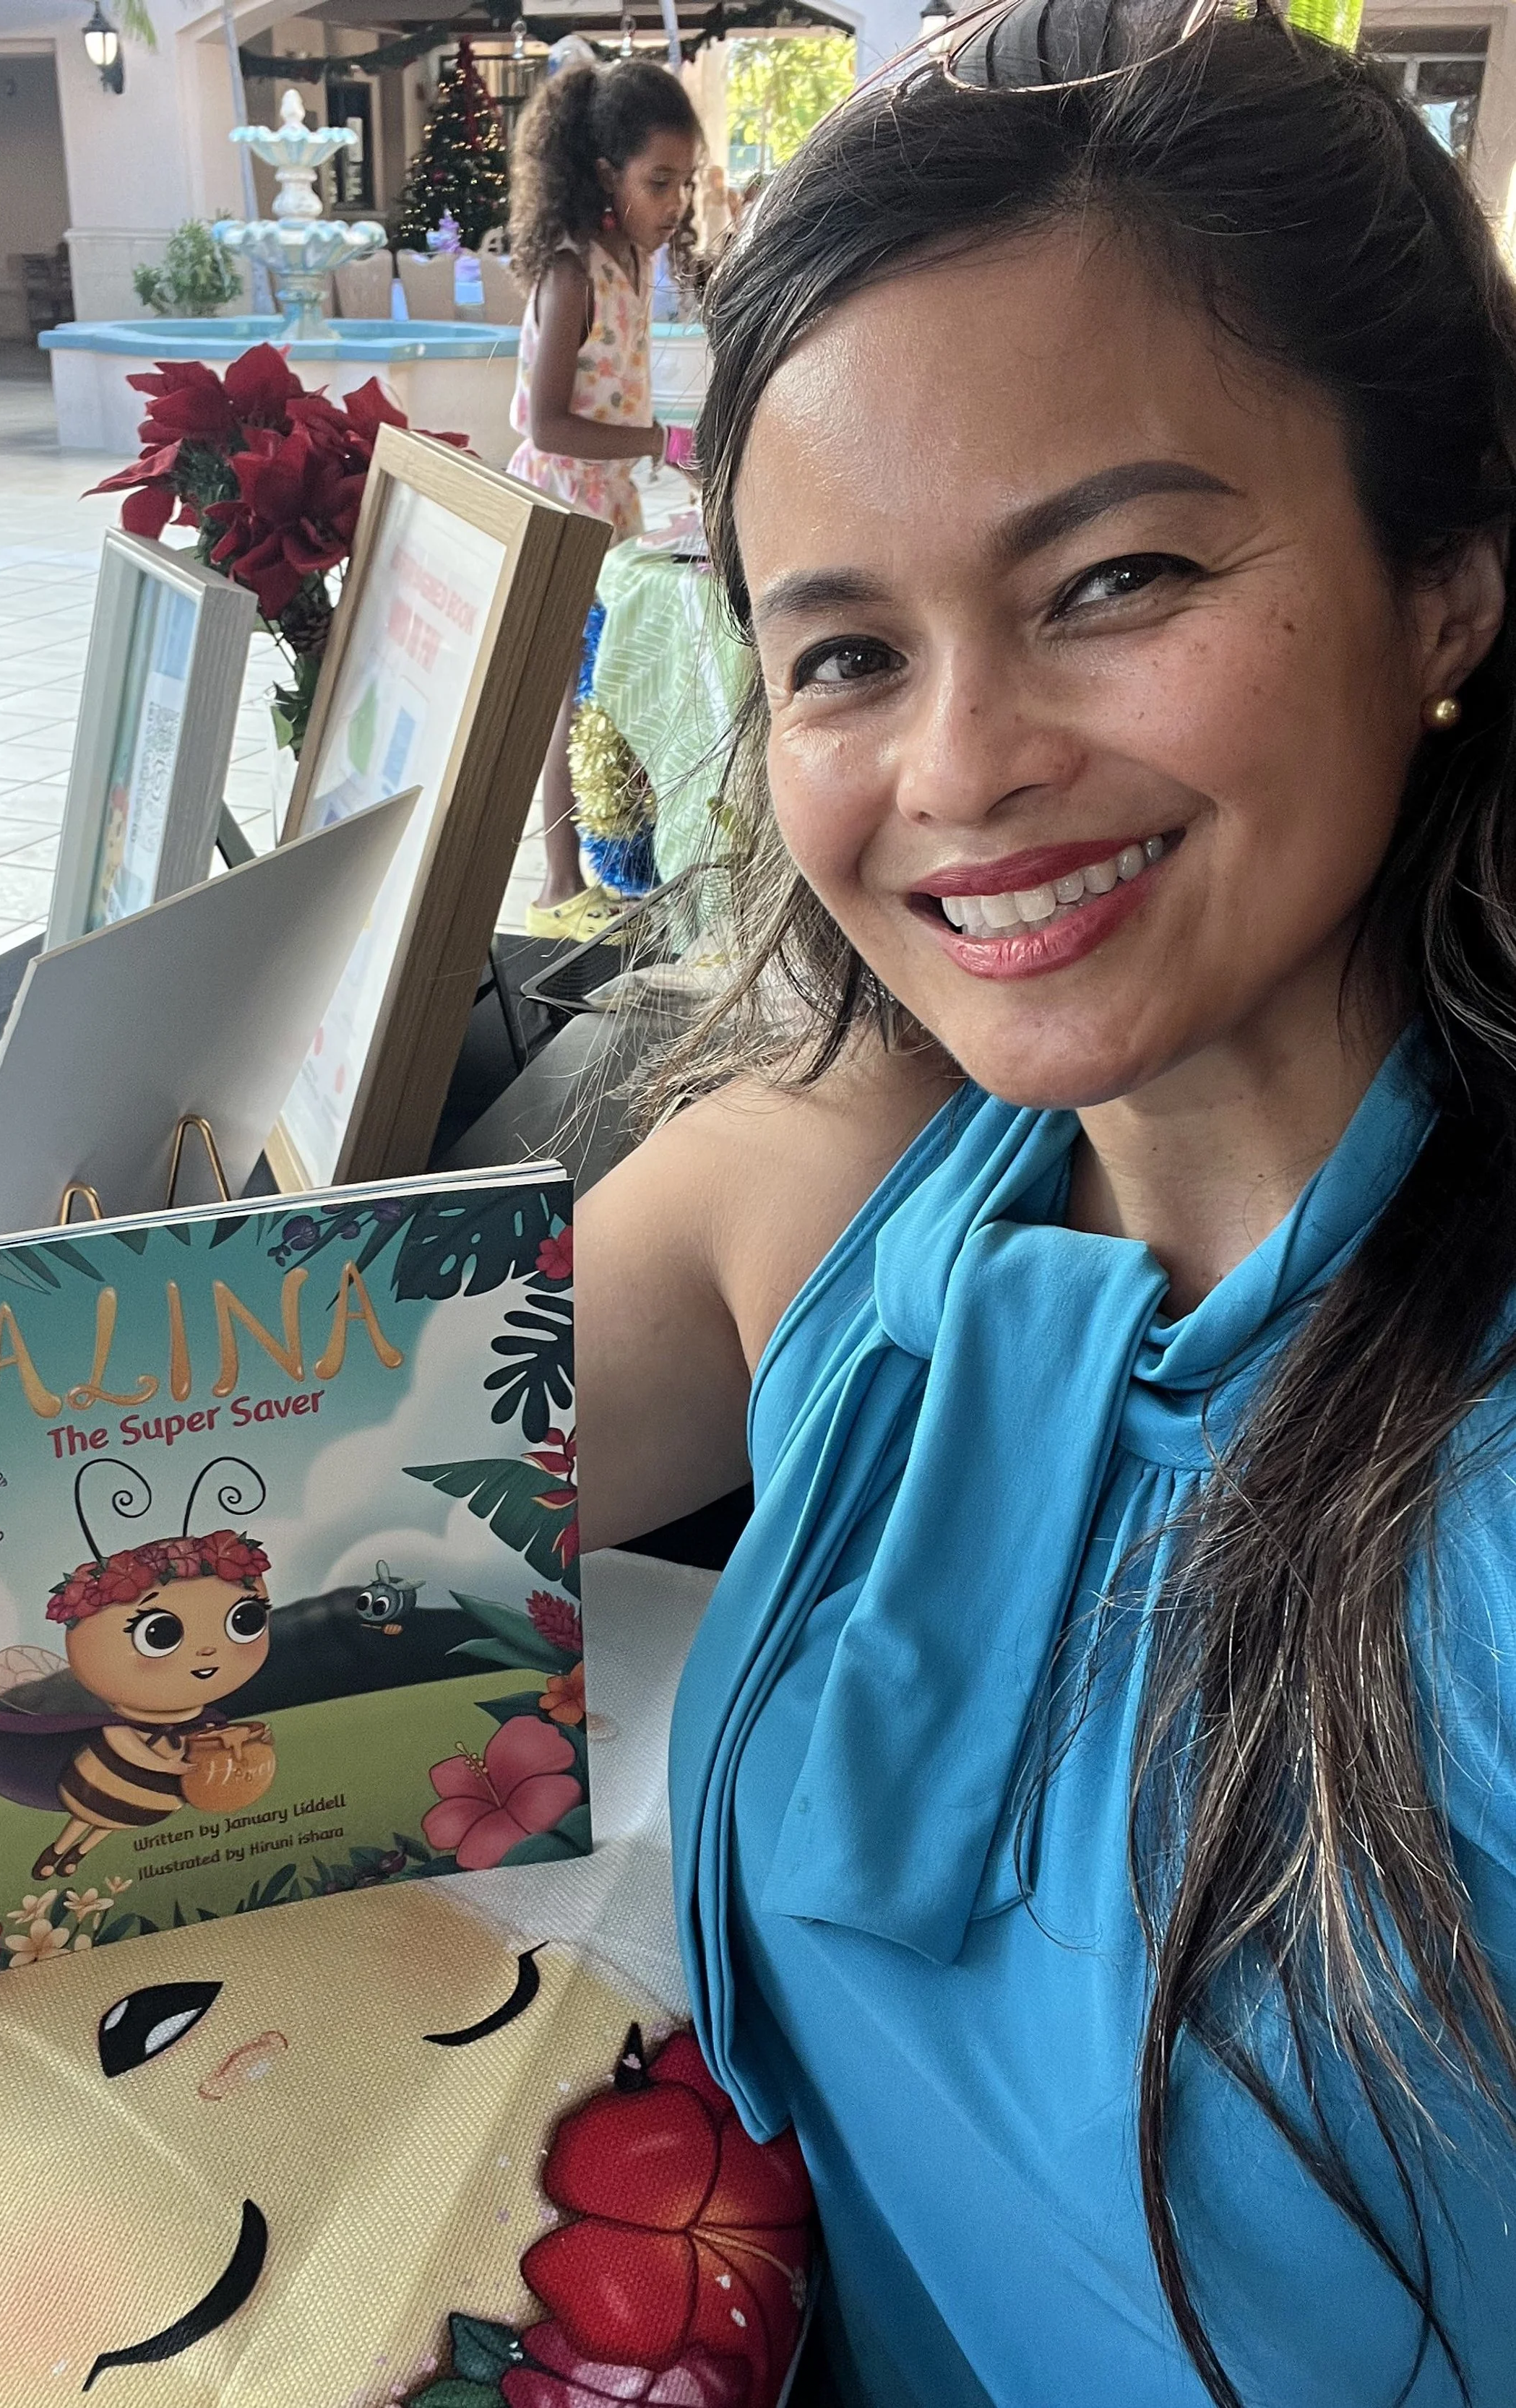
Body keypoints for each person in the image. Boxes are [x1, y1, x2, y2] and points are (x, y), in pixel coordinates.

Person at [564, 1, 1516, 2399]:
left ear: (1450, 585)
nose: (965, 766)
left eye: (1113, 581)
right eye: (850, 653)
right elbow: (306, 1503)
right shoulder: (877, 1194)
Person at [506, 56, 701, 941]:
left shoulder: (630, 259)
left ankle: (610, 860)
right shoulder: (572, 273)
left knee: (594, 691)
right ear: (601, 175)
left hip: (605, 507)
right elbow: (549, 424)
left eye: (684, 184)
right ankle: (555, 885)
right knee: (562, 697)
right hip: (558, 508)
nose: (677, 204)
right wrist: (661, 442)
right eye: (659, 182)